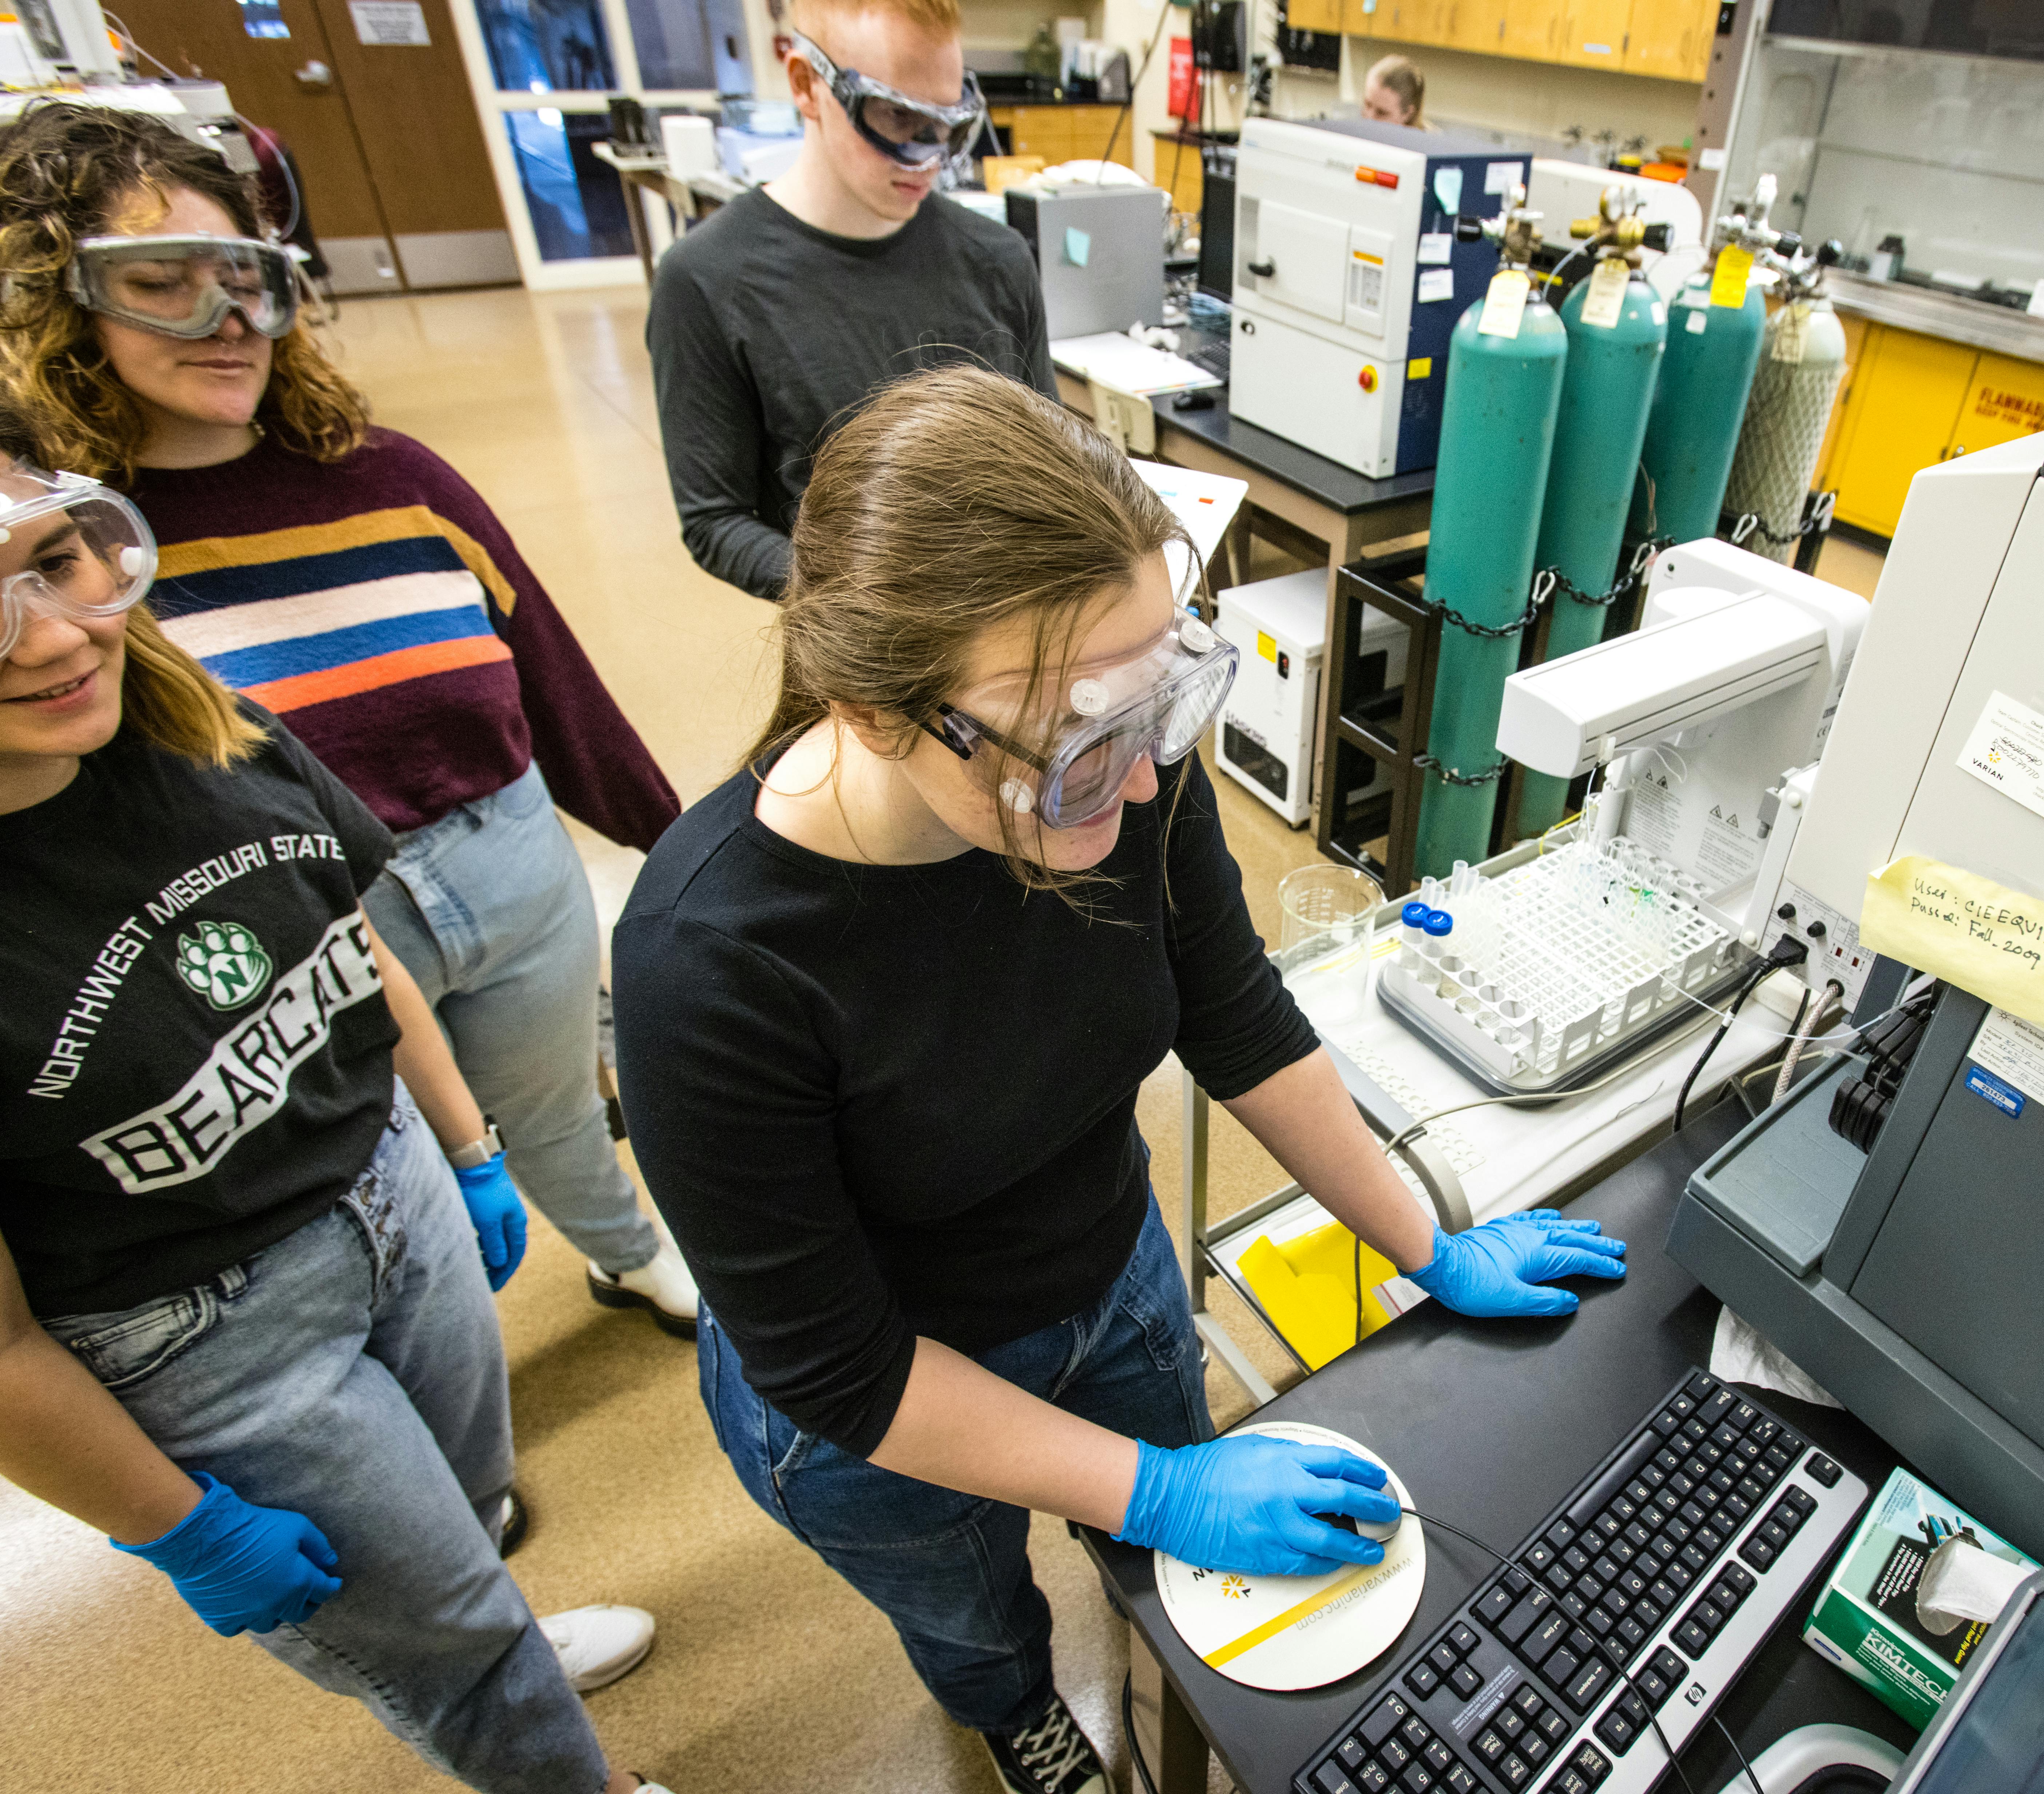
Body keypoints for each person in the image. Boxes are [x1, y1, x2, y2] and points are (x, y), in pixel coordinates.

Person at [612, 367, 1630, 1794]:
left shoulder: (1114, 770)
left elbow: (1239, 1017)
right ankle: (1015, 1707)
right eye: (1089, 742)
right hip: (886, 1395)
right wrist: (1160, 1486)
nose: (1144, 781)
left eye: (1156, 703)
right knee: (971, 1607)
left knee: (1166, 1571)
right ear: (876, 710)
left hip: (1110, 1275)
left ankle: (1146, 1649)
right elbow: (846, 1368)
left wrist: (1426, 1238)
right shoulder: (710, 963)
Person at [0, 442, 674, 1794]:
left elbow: (350, 943)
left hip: (392, 1183)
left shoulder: (209, 727)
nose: (56, 635)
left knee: (466, 1509)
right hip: (204, 1333)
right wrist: (177, 1524)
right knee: (439, 1641)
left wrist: (466, 1148)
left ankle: (493, 1632)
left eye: (58, 561)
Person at [0, 102, 701, 1338]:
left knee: (554, 1105)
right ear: (57, 307)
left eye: (245, 280)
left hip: (507, 857)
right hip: (296, 922)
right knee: (381, 1168)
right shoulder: (69, 558)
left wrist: (676, 843)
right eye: (162, 283)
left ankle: (627, 1249)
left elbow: (553, 678)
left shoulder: (398, 478)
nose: (224, 320)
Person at [647, 0, 1056, 602]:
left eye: (948, 122)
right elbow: (715, 521)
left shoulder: (998, 259)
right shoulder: (707, 281)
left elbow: (1049, 460)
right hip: (852, 636)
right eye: (897, 116)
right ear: (806, 86)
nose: (928, 156)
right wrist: (874, 600)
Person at [1362, 54, 1426, 129]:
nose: (1369, 118)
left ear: (1407, 114)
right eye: (1368, 105)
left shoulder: (1431, 137)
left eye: (1382, 113)